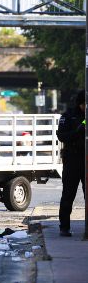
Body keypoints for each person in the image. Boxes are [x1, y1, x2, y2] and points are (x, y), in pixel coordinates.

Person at [56, 90, 85, 237]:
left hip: (86, 159)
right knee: (68, 194)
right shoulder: (68, 116)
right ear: (80, 103)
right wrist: (77, 132)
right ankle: (64, 227)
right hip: (72, 159)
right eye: (85, 104)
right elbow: (61, 136)